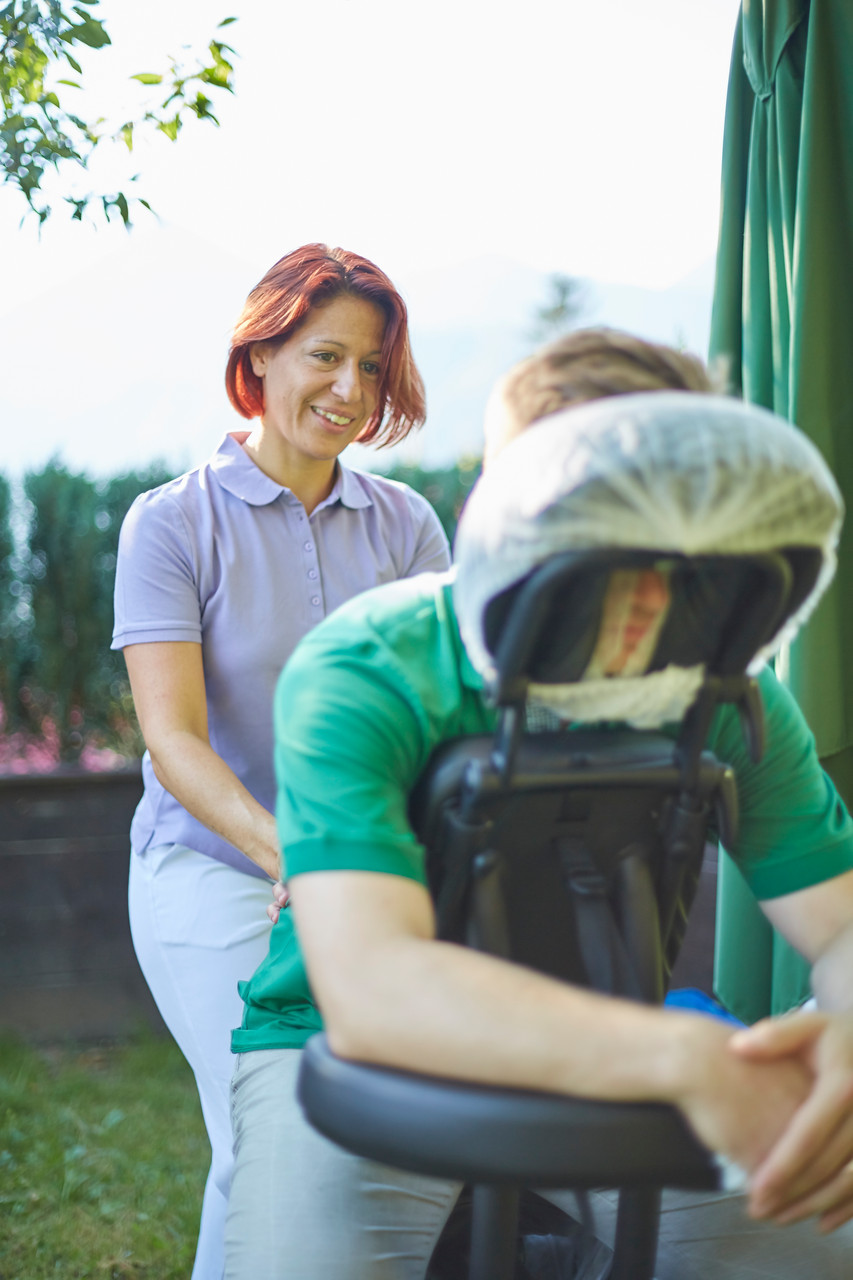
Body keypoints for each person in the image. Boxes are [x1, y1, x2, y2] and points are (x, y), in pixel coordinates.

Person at [226, 331, 853, 1280]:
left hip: (612, 1040)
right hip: (333, 1040)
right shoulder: (368, 666)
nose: (648, 588)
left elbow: (839, 927)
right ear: (510, 521)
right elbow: (373, 986)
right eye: (599, 533)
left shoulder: (729, 693)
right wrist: (686, 1056)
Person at [111, 243, 450, 1280]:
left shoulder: (405, 528)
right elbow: (174, 741)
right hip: (211, 871)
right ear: (258, 357)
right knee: (270, 1129)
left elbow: (442, 720)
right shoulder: (172, 523)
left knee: (382, 1137)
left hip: (367, 879)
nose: (349, 390)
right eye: (323, 356)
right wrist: (288, 854)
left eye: (370, 365)